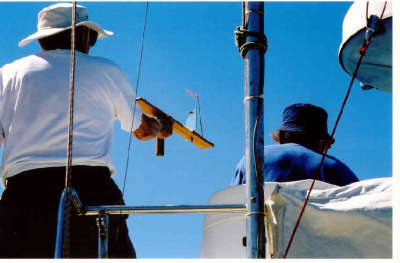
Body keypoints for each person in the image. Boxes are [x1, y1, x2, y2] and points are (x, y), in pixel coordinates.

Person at [0, 3, 172, 258]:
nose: (91, 44)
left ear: (42, 41)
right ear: (82, 35)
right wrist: (160, 125)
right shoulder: (106, 70)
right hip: (90, 190)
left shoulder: (8, 74)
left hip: (23, 197)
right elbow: (142, 130)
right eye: (92, 37)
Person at [231, 103, 359, 186]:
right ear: (321, 141)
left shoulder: (254, 156)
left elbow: (231, 204)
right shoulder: (337, 168)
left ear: (281, 138)